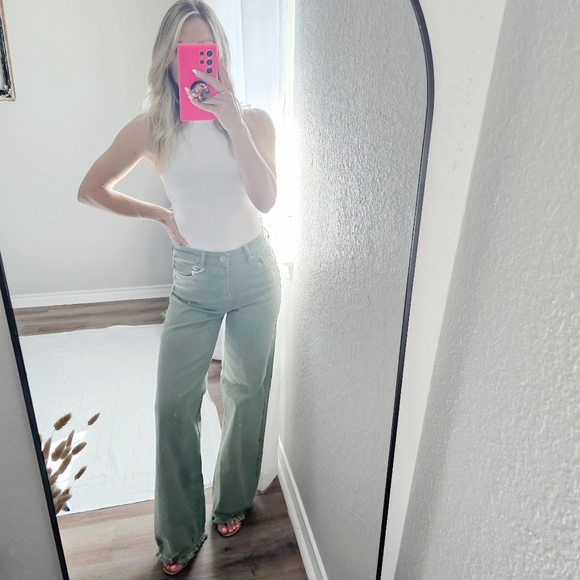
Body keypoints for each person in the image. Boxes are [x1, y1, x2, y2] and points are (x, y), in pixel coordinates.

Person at [77, 0, 281, 575]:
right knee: (173, 405)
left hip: (255, 272)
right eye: (185, 51)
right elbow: (91, 188)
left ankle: (233, 500)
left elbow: (266, 199)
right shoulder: (151, 128)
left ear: (220, 54)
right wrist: (157, 214)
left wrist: (232, 120)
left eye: (206, 50)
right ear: (168, 58)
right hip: (193, 280)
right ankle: (179, 533)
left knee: (246, 392)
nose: (196, 62)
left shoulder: (255, 121)